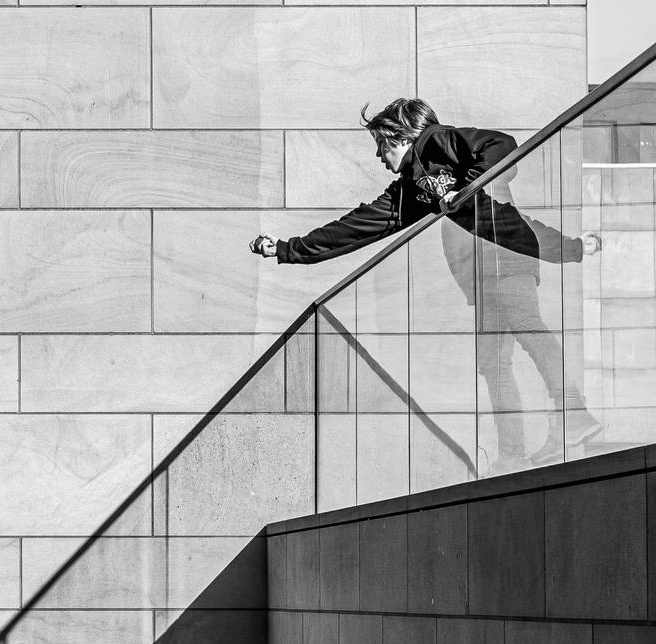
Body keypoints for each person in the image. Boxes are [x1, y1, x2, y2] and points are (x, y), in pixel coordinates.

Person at [251, 97, 602, 472]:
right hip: (482, 276)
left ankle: (574, 414)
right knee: (493, 364)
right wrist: (288, 249)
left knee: (530, 331)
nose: (378, 156)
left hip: (506, 262)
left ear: (399, 137)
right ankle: (513, 453)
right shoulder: (409, 193)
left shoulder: (437, 141)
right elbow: (354, 229)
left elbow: (501, 145)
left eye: (380, 145)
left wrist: (465, 188)